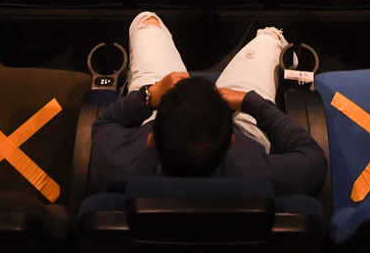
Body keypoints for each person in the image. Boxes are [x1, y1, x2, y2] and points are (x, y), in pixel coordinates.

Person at [90, 12, 328, 193]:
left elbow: (103, 122)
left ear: (151, 139)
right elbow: (314, 158)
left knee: (146, 20)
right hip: (246, 120)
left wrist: (148, 95)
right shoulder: (256, 171)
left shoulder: (118, 165)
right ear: (232, 141)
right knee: (271, 36)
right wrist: (252, 103)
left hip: (161, 117)